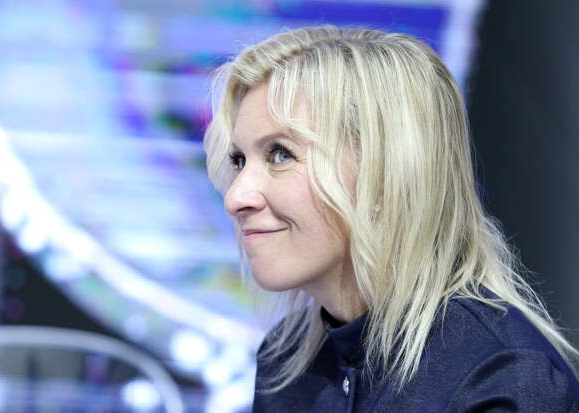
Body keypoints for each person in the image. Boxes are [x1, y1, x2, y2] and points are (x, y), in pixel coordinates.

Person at [203, 25, 579, 412]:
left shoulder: (500, 377)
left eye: (281, 154)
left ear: (385, 176)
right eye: (239, 160)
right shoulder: (286, 362)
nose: (235, 198)